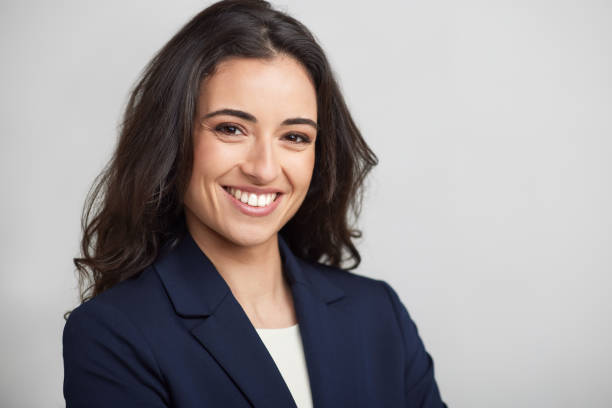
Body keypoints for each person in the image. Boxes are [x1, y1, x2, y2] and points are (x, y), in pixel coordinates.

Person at [62, 0, 446, 406]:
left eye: (294, 136)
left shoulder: (378, 314)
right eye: (231, 129)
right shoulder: (114, 334)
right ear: (172, 138)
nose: (264, 169)